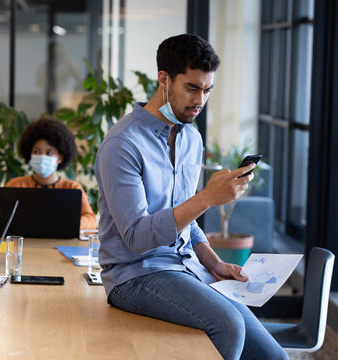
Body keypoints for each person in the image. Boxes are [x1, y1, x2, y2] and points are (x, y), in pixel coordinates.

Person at [94, 34, 287, 360]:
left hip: (187, 268)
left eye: (207, 90)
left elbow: (184, 220)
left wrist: (215, 263)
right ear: (164, 80)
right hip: (135, 275)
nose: (200, 100)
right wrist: (207, 198)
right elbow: (136, 237)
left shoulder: (190, 139)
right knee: (228, 325)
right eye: (192, 88)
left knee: (273, 356)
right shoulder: (122, 145)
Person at [5, 117, 97, 230]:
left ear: (60, 157)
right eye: (36, 151)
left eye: (49, 152)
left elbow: (92, 221)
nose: (42, 156)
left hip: (61, 247)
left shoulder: (72, 188)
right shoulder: (15, 186)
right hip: (23, 246)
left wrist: (70, 223)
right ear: (29, 153)